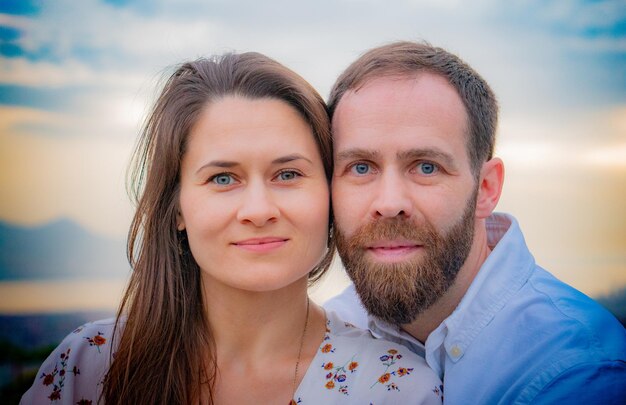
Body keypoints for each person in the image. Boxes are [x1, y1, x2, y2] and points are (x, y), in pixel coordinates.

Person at [21, 52, 443, 404]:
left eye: (288, 174)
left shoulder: (396, 388)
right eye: (223, 178)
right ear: (177, 208)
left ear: (330, 195)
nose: (258, 210)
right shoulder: (89, 367)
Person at [324, 41, 626, 404]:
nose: (389, 204)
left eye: (426, 166)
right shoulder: (328, 331)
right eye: (360, 168)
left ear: (486, 188)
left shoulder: (573, 374)